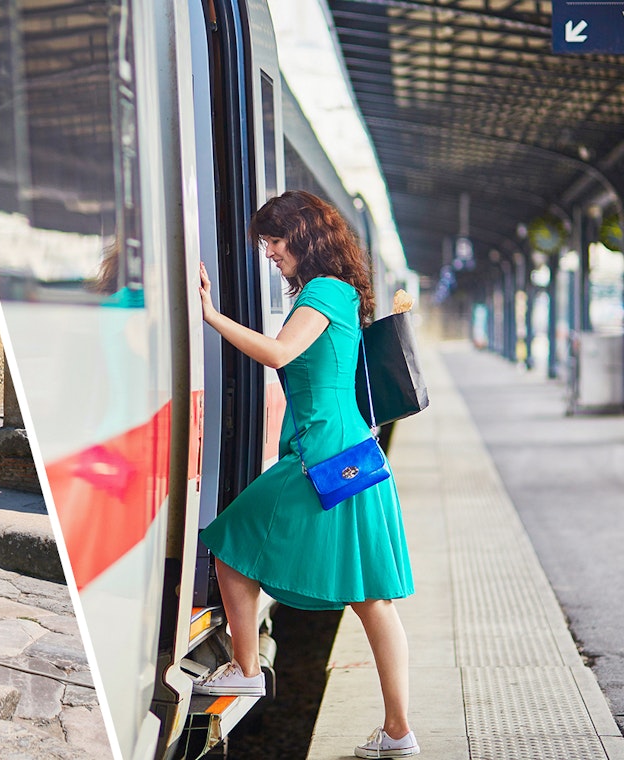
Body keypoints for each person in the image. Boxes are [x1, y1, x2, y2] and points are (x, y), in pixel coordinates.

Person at [195, 191, 417, 759]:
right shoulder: (340, 292)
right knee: (372, 599)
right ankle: (398, 732)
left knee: (230, 539)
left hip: (324, 459)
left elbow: (277, 354)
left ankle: (245, 669)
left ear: (304, 235)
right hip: (349, 456)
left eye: (273, 240)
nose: (268, 252)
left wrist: (210, 315)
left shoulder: (323, 291)